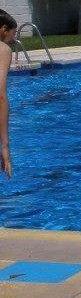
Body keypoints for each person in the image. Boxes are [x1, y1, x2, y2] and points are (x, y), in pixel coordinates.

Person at [0, 9, 16, 178]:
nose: (14, 39)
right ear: (3, 29)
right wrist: (4, 146)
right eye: (14, 33)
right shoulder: (3, 49)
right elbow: (1, 96)